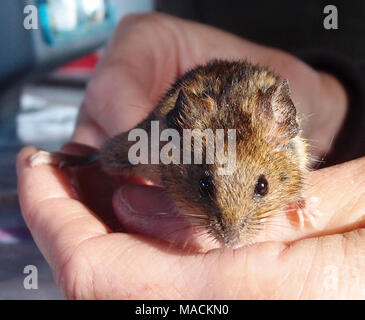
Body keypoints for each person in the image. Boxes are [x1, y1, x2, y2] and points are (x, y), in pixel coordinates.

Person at [17, 13, 365, 299]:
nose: (232, 232)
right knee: (126, 152)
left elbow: (294, 158)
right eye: (205, 186)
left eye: (260, 188)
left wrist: (297, 195)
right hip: (193, 110)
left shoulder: (276, 134)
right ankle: (80, 160)